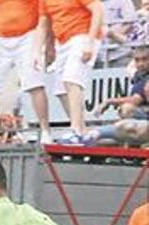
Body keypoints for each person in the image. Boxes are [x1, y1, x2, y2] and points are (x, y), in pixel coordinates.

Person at [0, 0, 53, 154]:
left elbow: (43, 19)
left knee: (35, 83)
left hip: (28, 35)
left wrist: (37, 49)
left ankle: (45, 132)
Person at [34, 0, 105, 143]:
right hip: (62, 40)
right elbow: (43, 25)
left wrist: (90, 43)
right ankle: (83, 131)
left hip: (83, 35)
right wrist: (39, 51)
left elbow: (98, 9)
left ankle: (75, 130)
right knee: (60, 90)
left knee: (72, 80)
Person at [93, 45, 148, 120]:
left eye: (145, 59)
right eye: (137, 60)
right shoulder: (138, 74)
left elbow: (135, 100)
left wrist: (109, 101)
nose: (140, 64)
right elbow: (130, 67)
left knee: (127, 109)